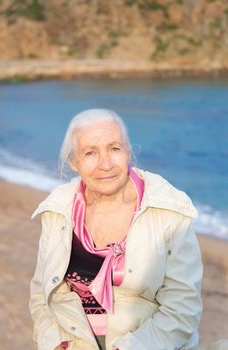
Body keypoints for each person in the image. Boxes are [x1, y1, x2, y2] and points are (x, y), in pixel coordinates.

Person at [29, 108, 208, 350]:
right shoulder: (57, 211)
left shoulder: (169, 211)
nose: (105, 164)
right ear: (74, 162)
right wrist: (54, 343)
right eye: (90, 153)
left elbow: (183, 309)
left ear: (128, 152)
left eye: (114, 148)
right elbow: (42, 294)